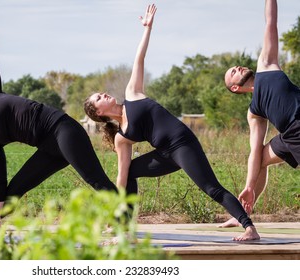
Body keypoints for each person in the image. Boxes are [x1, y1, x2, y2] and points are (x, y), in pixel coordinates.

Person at [84, 4, 259, 241]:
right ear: (99, 113)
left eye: (101, 93)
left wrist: (147, 28)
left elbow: (139, 58)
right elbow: (122, 176)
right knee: (131, 171)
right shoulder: (121, 137)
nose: (103, 94)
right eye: (98, 98)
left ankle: (249, 228)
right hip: (165, 153)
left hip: (183, 144)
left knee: (211, 188)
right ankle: (124, 226)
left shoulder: (132, 93)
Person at [0, 6, 118, 233]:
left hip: (63, 130)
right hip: (50, 148)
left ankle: (124, 223)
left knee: (95, 179)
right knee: (14, 189)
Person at [222, 0, 299, 228]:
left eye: (237, 67)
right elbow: (255, 152)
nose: (238, 68)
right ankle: (242, 214)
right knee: (261, 159)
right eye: (233, 72)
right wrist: (248, 185)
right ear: (235, 87)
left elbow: (270, 22)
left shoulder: (267, 64)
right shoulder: (254, 113)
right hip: (290, 136)